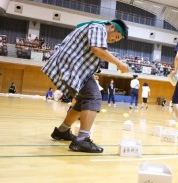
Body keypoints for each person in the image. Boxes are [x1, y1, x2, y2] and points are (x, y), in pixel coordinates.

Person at [42, 19, 129, 153]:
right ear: (111, 27)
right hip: (70, 67)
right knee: (93, 98)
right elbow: (97, 50)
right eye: (116, 37)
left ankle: (62, 131)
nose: (114, 40)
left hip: (71, 67)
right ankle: (83, 140)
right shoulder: (98, 28)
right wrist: (119, 64)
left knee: (82, 101)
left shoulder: (95, 29)